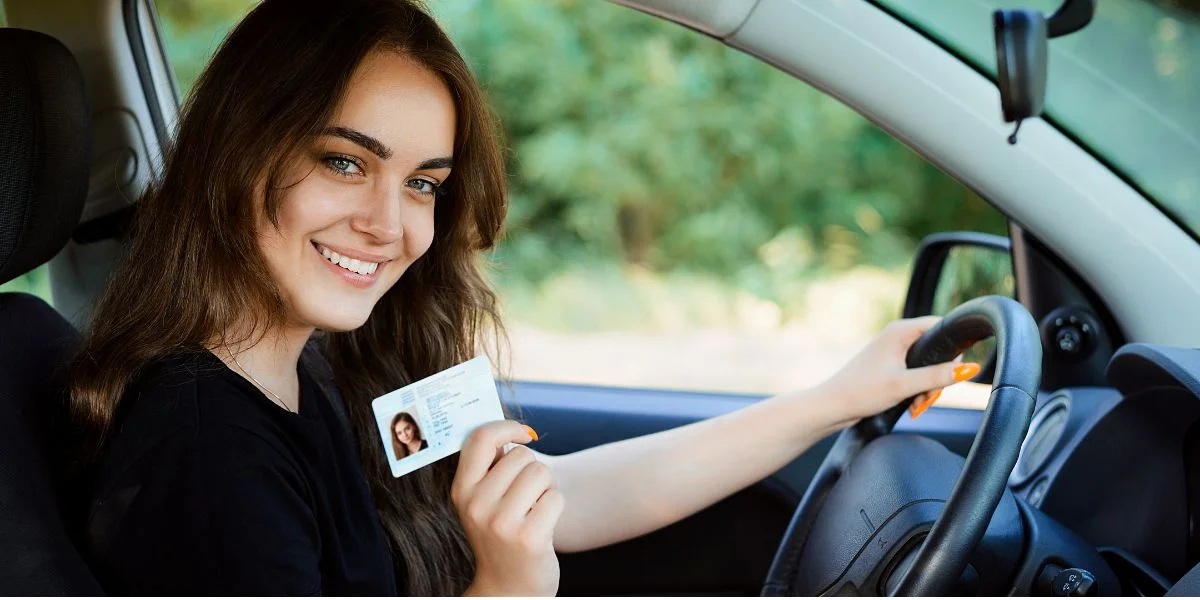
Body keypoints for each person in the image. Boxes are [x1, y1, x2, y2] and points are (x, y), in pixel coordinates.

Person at [67, 0, 979, 595]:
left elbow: (552, 496)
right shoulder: (204, 454)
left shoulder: (315, 361)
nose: (390, 226)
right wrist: (503, 587)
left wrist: (832, 401)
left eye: (423, 182)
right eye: (344, 161)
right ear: (239, 153)